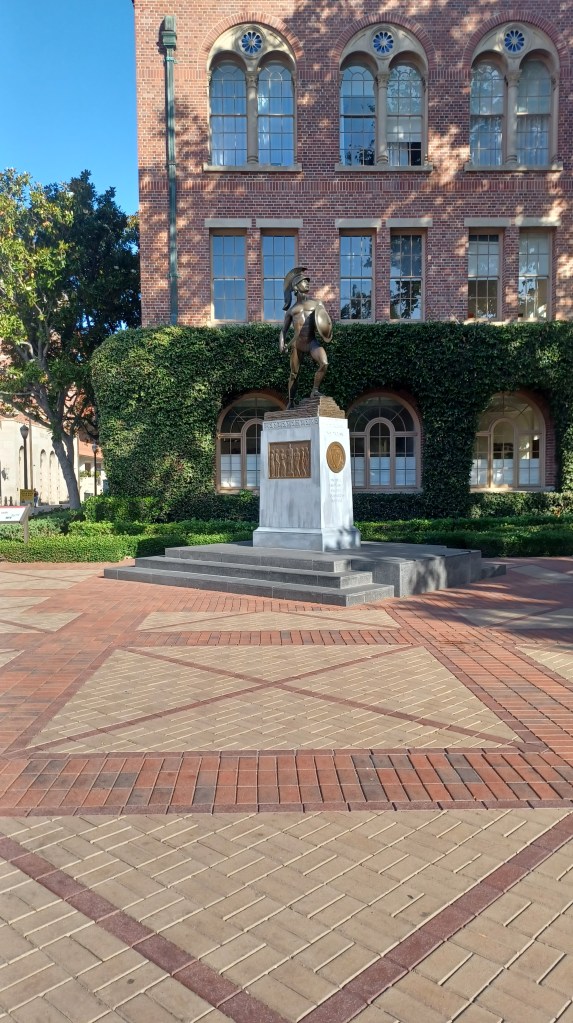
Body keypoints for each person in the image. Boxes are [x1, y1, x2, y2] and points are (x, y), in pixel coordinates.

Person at [279, 266, 333, 409]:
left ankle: (315, 390)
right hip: (297, 345)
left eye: (307, 281)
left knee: (324, 363)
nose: (307, 283)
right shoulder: (291, 311)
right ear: (296, 287)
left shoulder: (317, 304)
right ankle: (291, 401)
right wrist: (281, 344)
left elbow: (325, 322)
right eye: (304, 281)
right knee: (293, 374)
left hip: (311, 342)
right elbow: (283, 331)